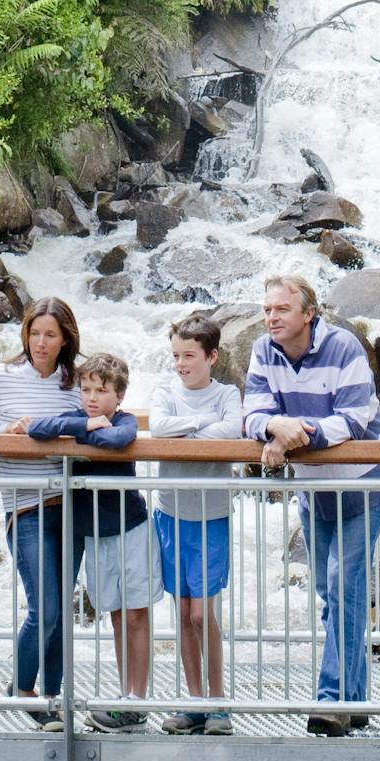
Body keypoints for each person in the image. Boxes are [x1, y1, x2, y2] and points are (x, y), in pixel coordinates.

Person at [242, 273, 380, 738]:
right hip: (314, 488)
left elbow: (353, 419)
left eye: (282, 310)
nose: (271, 317)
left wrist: (291, 433)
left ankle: (330, 701)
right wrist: (273, 429)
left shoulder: (344, 346)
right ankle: (358, 700)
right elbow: (251, 413)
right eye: (267, 309)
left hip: (364, 483)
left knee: (343, 583)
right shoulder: (262, 351)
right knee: (331, 594)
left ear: (308, 314)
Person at [0, 296, 85, 730]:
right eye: (35, 333)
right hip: (25, 508)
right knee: (45, 606)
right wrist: (7, 431)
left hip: (72, 506)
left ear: (66, 337)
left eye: (50, 334)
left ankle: (53, 697)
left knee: (62, 608)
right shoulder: (0, 377)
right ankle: (21, 687)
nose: (41, 342)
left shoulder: (77, 383)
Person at [26, 352, 163, 733]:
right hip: (95, 535)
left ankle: (138, 697)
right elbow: (37, 428)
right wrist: (84, 424)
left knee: (137, 612)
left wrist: (81, 431)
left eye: (101, 391)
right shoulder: (78, 419)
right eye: (86, 389)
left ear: (118, 395)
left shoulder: (123, 419)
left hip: (131, 526)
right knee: (117, 615)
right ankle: (126, 697)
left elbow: (121, 439)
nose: (91, 397)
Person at [147, 313, 242, 737]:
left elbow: (232, 431)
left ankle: (218, 700)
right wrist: (200, 427)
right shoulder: (166, 392)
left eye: (189, 356)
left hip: (211, 515)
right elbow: (157, 428)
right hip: (170, 514)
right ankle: (194, 701)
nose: (181, 364)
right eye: (176, 355)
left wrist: (188, 432)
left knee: (204, 613)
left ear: (212, 356)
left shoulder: (227, 394)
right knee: (183, 614)